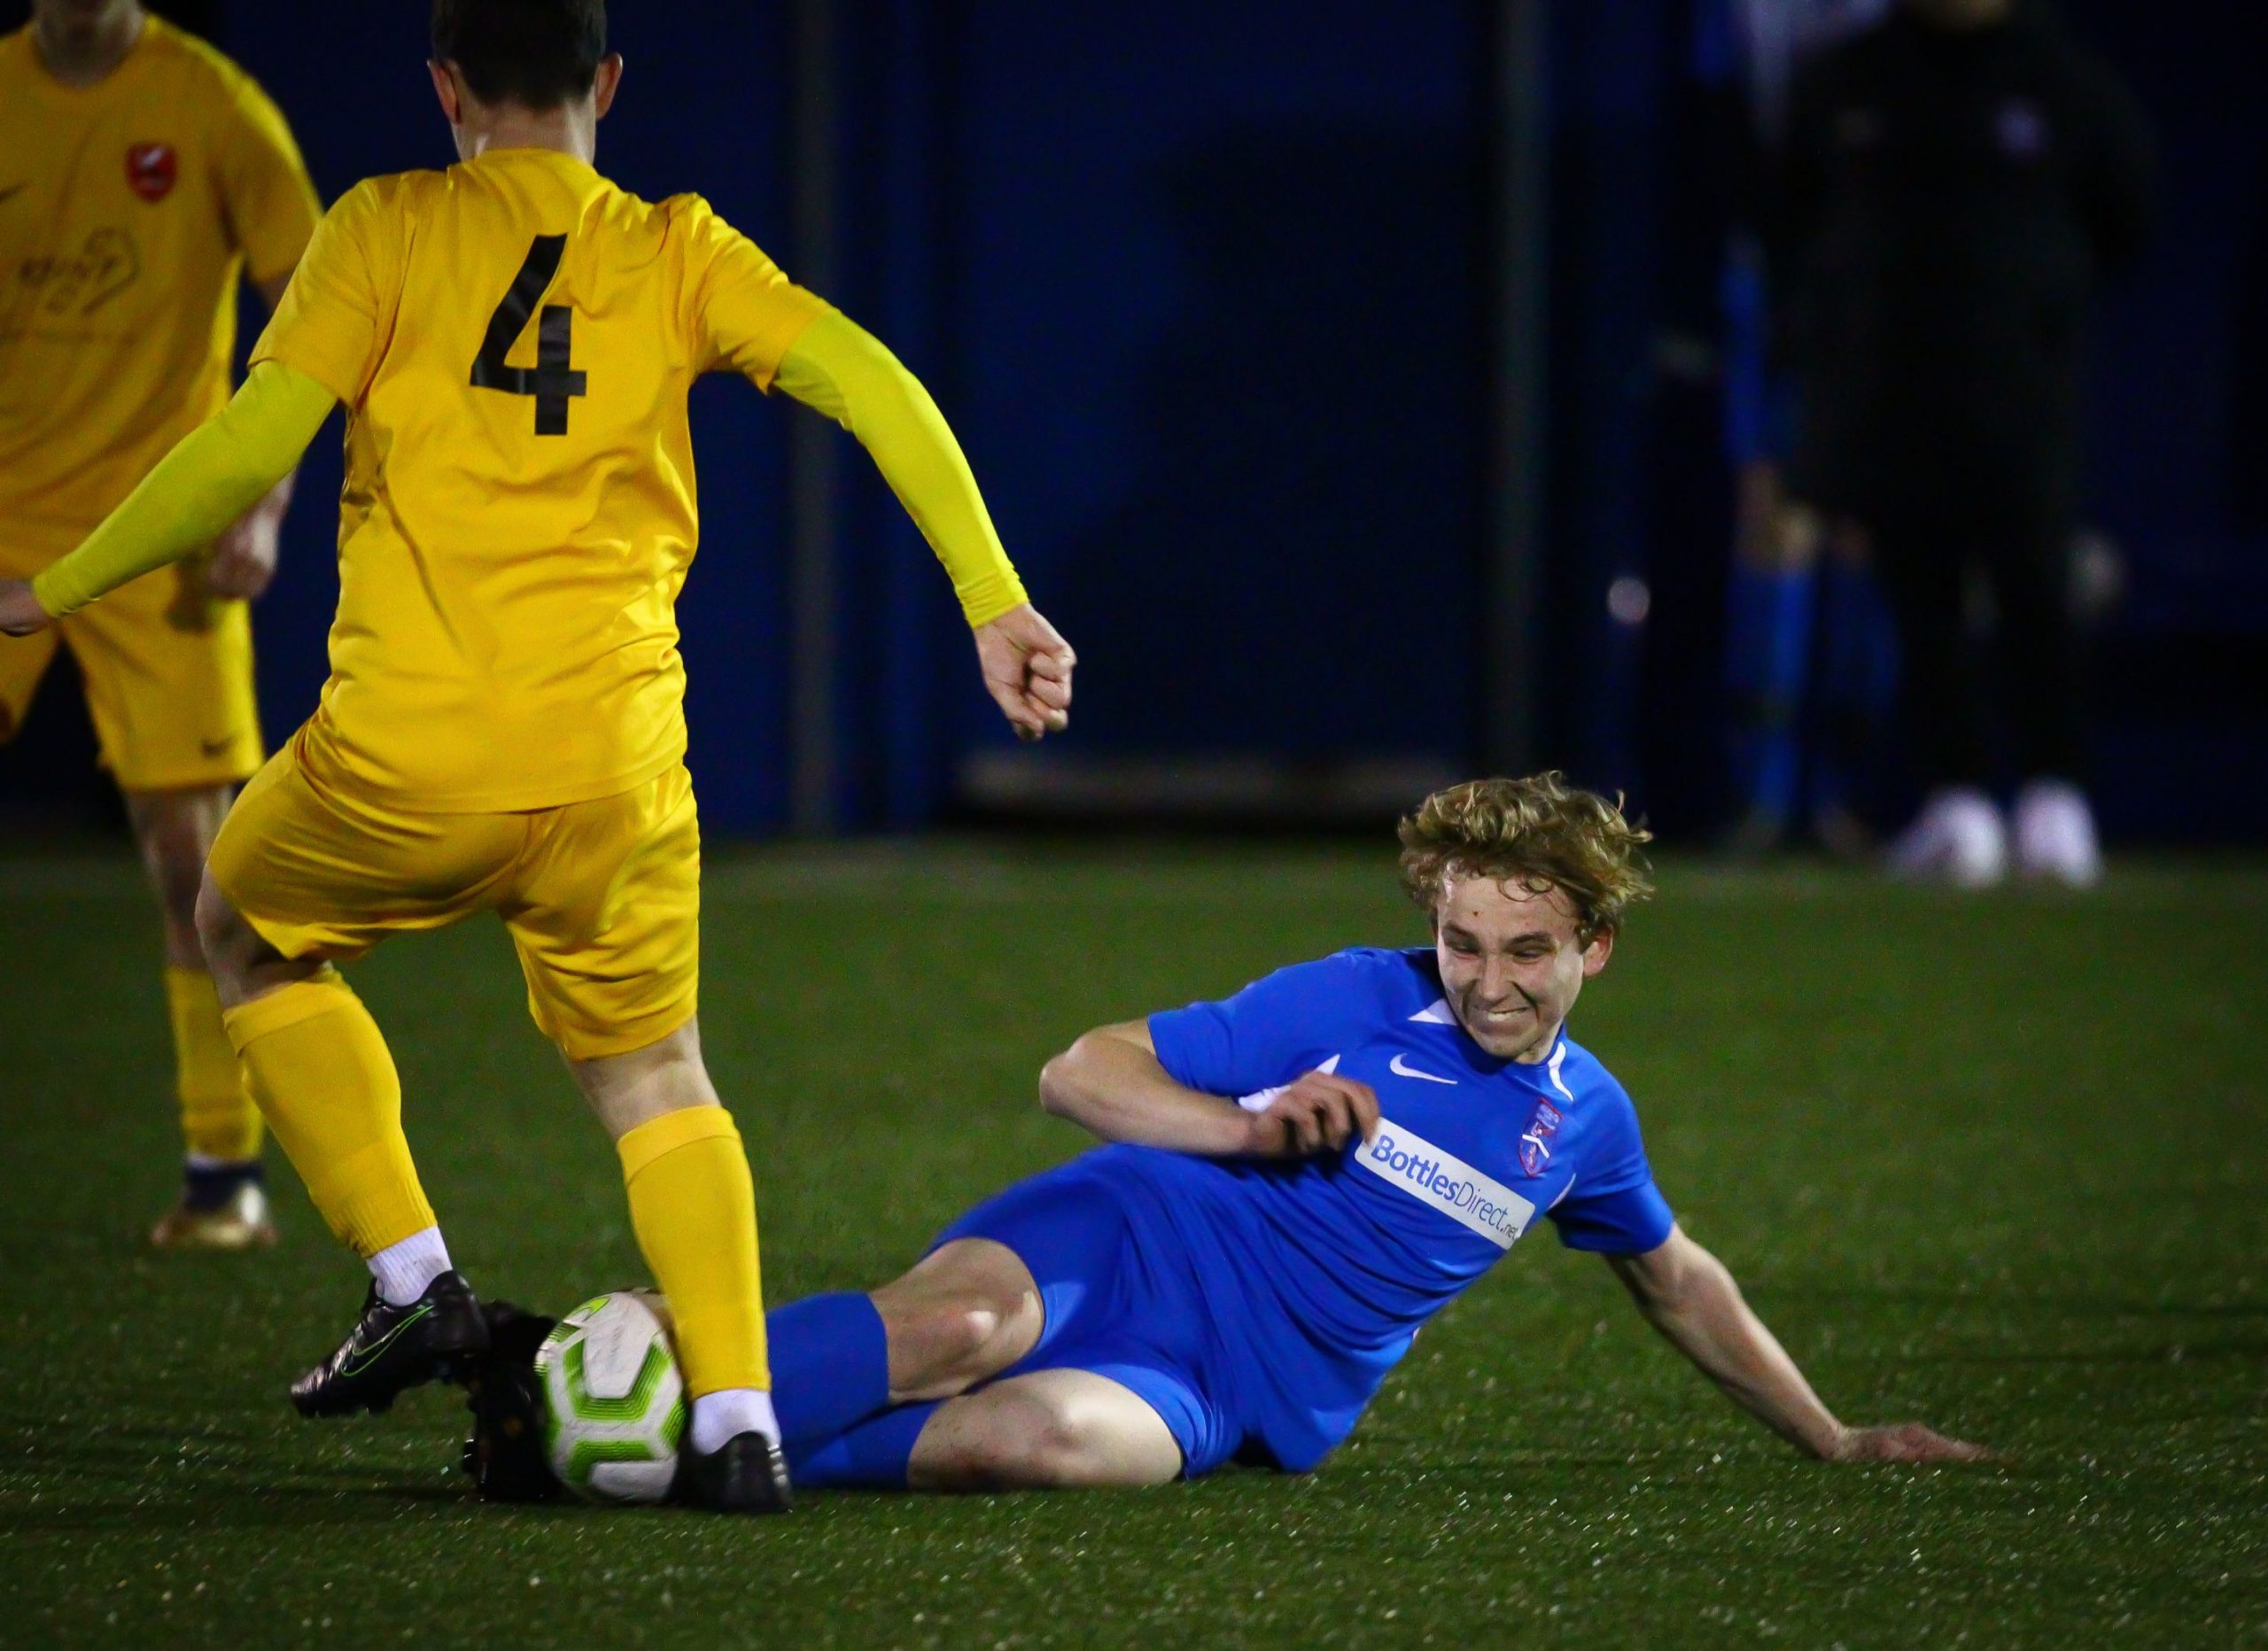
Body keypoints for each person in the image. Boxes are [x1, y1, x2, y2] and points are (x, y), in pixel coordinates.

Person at [0, 0, 1076, 1515]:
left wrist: (53, 586)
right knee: (657, 1075)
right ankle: (742, 1424)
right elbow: (874, 383)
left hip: (401, 760)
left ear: (446, 86)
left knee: (240, 927)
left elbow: (245, 448)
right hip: (608, 770)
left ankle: (413, 1277)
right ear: (607, 83)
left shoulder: (385, 228)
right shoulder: (679, 248)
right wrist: (993, 598)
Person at [464, 774, 1984, 1501]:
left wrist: (1834, 1435)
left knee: (1044, 1443)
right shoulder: (1354, 997)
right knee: (961, 1329)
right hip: (1127, 1230)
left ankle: (676, 1383)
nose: (1487, 980)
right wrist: (1240, 1128)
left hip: (1231, 1385)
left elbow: (1677, 1278)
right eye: (1463, 941)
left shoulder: (1587, 1124)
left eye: (1528, 952)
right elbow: (1078, 1071)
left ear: (1597, 948)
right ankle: (570, 1421)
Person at [0, 0, 321, 1248]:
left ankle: (221, 1174)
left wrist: (262, 500)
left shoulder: (215, 108)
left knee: (195, 859)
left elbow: (318, 307)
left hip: (158, 523)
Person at [1773, 0, 2152, 886]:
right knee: (1919, 598)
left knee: (2034, 589)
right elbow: (1788, 215)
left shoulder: (2063, 81)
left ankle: (2057, 804)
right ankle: (1959, 804)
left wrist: (2033, 301)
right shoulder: (1846, 81)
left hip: (2019, 392)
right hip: (1887, 394)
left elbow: (2127, 214)